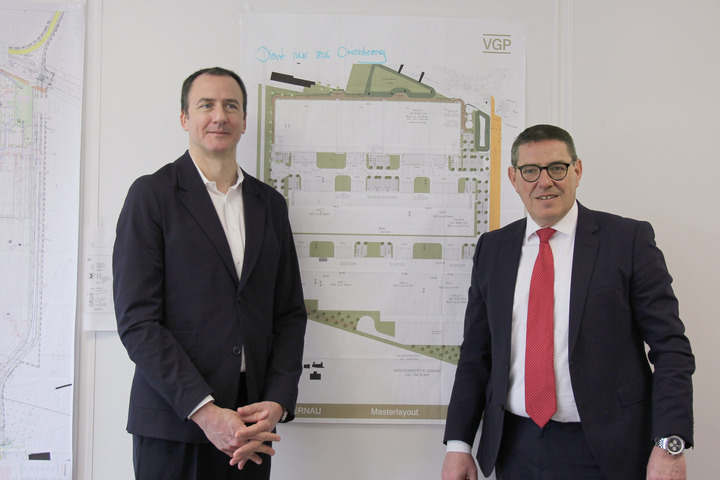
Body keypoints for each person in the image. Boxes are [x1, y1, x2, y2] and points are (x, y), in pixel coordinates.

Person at [441, 124, 694, 480]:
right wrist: (458, 444)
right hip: (515, 447)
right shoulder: (493, 249)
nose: (544, 181)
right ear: (514, 178)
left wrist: (669, 443)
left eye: (557, 168)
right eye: (530, 171)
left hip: (608, 448)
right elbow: (475, 354)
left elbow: (671, 349)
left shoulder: (627, 241)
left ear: (577, 171)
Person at [113, 67, 307, 480]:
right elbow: (137, 322)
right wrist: (204, 411)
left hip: (251, 426)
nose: (220, 116)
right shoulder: (151, 196)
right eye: (206, 105)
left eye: (231, 106)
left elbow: (289, 314)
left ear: (244, 121)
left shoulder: (270, 205)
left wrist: (277, 402)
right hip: (174, 422)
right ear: (185, 118)